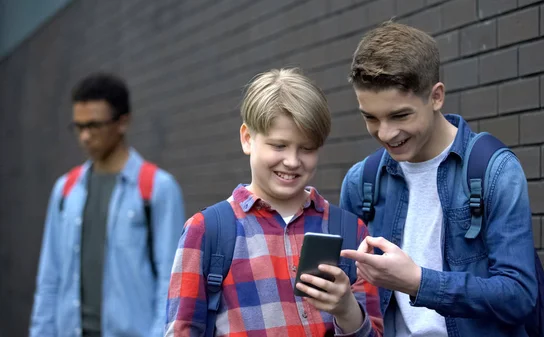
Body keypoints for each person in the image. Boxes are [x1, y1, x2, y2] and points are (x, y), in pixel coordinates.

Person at [338, 22, 539, 337]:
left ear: (436, 97)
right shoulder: (359, 182)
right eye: (371, 118)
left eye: (400, 116)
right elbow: (355, 298)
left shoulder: (495, 171)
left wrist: (418, 281)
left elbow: (519, 296)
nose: (386, 134)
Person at [165, 68, 383, 337]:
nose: (292, 161)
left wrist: (346, 309)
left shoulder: (351, 231)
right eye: (278, 146)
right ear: (247, 138)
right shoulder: (207, 231)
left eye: (307, 148)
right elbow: (182, 331)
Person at [30, 72, 186, 337]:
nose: (85, 137)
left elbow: (172, 286)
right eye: (79, 127)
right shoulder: (66, 190)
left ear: (123, 122)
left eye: (94, 125)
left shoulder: (157, 188)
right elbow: (49, 279)